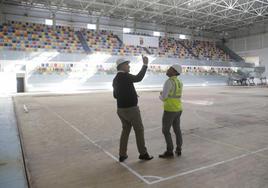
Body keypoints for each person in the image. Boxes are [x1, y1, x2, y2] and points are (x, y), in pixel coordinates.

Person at [112, 55, 153, 162]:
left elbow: (116, 95)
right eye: (127, 64)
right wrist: (145, 65)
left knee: (125, 131)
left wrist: (132, 94)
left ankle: (122, 154)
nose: (129, 66)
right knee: (139, 130)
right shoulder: (126, 76)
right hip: (131, 109)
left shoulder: (115, 79)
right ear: (122, 66)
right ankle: (143, 153)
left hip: (120, 109)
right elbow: (138, 78)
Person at [159, 64, 183, 158]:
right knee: (177, 130)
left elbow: (164, 97)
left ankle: (169, 151)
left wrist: (160, 95)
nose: (167, 70)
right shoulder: (179, 82)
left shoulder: (169, 82)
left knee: (165, 130)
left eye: (169, 69)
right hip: (178, 109)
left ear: (174, 71)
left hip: (170, 109)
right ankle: (179, 149)